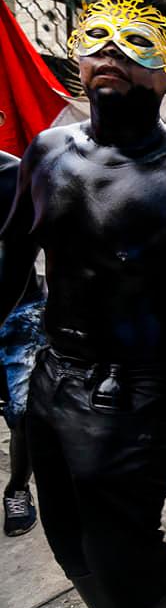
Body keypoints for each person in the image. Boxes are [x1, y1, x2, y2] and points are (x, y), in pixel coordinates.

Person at [0, 0, 166, 608]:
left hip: (136, 392)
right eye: (97, 37)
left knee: (125, 546)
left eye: (135, 41)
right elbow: (13, 256)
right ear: (77, 55)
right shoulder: (48, 153)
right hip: (53, 373)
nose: (111, 51)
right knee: (65, 535)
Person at [0, 151, 43, 538]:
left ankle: (17, 488)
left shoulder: (14, 175)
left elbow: (15, 266)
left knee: (23, 410)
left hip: (17, 311)